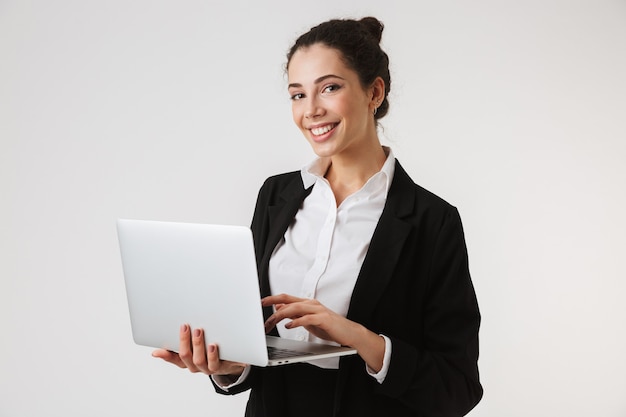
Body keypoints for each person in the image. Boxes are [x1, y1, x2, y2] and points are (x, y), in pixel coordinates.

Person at [153, 17, 483, 416]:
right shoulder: (276, 195)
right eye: (297, 95)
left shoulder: (432, 221)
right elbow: (255, 342)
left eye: (330, 88)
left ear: (374, 91)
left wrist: (358, 338)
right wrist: (228, 368)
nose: (311, 110)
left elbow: (457, 388)